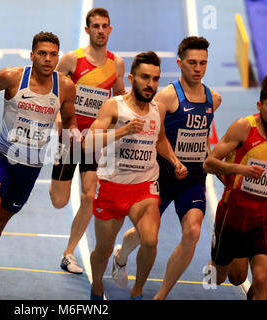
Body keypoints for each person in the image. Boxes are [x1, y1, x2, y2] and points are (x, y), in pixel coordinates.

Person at [0, 31, 81, 298]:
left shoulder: (66, 87)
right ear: (32, 55)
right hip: (3, 156)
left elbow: (70, 119)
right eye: (42, 54)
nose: (48, 60)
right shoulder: (12, 77)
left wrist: (72, 133)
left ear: (58, 57)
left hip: (31, 167)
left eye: (53, 54)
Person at [112, 36, 221, 300]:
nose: (198, 68)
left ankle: (160, 294)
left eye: (203, 63)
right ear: (180, 63)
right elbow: (155, 136)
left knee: (193, 231)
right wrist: (173, 161)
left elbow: (202, 137)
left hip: (193, 178)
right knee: (143, 234)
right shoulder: (166, 97)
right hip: (161, 176)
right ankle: (122, 255)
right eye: (192, 63)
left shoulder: (213, 99)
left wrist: (217, 167)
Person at [85, 51, 188, 300]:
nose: (150, 84)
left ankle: (137, 291)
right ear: (132, 78)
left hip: (144, 186)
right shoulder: (114, 106)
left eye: (155, 79)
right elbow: (89, 142)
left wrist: (174, 161)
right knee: (103, 250)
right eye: (145, 78)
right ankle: (98, 285)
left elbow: (160, 139)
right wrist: (122, 131)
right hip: (112, 186)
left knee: (150, 241)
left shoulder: (158, 109)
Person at [49, 7, 125, 274]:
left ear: (110, 29)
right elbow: (52, 89)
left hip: (94, 142)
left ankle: (69, 253)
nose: (101, 31)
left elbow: (119, 99)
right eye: (96, 26)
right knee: (59, 201)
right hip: (69, 140)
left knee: (88, 195)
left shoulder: (117, 64)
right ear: (87, 30)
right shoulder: (71, 60)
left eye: (105, 26)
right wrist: (59, 119)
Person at [203, 71, 267, 300]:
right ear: (259, 104)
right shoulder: (242, 127)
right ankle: (212, 263)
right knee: (224, 278)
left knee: (261, 278)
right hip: (232, 215)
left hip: (265, 217)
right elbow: (208, 164)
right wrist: (241, 169)